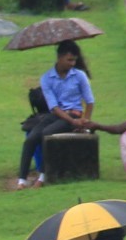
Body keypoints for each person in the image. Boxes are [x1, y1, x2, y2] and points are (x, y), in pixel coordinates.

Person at [17, 40, 93, 188]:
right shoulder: (47, 78)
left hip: (75, 114)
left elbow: (89, 101)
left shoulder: (79, 76)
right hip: (58, 115)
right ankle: (22, 179)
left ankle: (44, 175)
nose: (72, 63)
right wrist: (72, 123)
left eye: (74, 60)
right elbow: (53, 107)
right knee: (31, 138)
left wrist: (84, 122)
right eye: (69, 60)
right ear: (59, 57)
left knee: (47, 133)